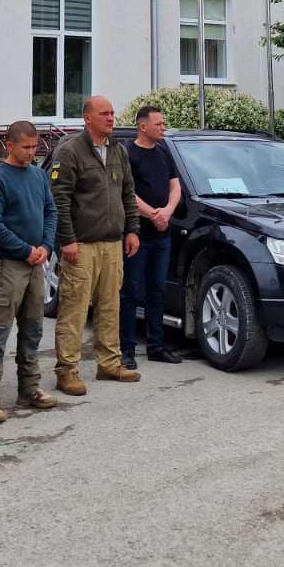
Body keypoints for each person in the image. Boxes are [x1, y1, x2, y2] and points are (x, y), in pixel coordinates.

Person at [50, 96, 141, 393]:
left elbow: (128, 192)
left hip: (113, 243)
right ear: (87, 118)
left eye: (112, 113)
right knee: (74, 309)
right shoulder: (70, 151)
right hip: (82, 245)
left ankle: (109, 363)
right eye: (104, 113)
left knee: (110, 306)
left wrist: (132, 229)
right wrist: (67, 239)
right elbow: (59, 199)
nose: (111, 118)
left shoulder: (118, 150)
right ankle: (67, 370)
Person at [0, 120, 59, 423]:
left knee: (33, 328)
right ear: (9, 145)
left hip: (36, 263)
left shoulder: (38, 175)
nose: (31, 152)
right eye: (26, 147)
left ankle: (30, 388)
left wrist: (46, 245)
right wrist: (25, 250)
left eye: (35, 146)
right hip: (8, 265)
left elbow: (50, 211)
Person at [121, 105, 183, 369]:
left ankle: (156, 346)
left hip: (162, 235)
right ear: (143, 126)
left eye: (163, 123)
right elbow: (126, 191)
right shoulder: (128, 153)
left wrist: (167, 212)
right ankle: (126, 350)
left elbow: (175, 186)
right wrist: (152, 214)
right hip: (138, 235)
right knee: (131, 292)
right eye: (158, 124)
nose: (163, 128)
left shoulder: (164, 151)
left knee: (157, 291)